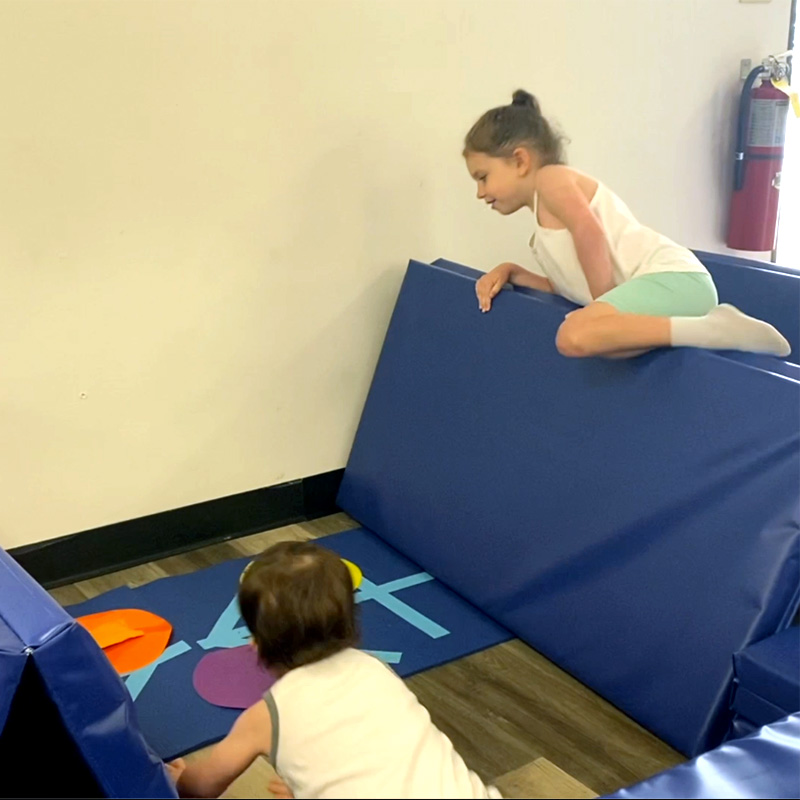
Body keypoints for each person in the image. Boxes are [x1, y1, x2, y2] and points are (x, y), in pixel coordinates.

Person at [464, 90, 791, 359]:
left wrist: (602, 308)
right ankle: (708, 329)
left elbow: (589, 232)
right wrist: (511, 271)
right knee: (600, 344)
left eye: (483, 177)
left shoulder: (551, 179)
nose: (480, 193)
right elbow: (568, 286)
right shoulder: (542, 232)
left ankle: (718, 329)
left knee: (575, 335)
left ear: (520, 161)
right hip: (669, 288)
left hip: (675, 279)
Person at [166, 540, 500, 799]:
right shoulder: (374, 669)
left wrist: (180, 778)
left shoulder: (266, 717)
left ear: (257, 643)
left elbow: (202, 788)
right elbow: (376, 752)